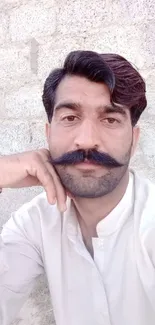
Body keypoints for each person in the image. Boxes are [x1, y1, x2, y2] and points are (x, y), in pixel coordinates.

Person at [0, 50, 155, 325]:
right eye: (70, 118)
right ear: (48, 134)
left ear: (134, 138)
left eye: (110, 119)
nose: (86, 141)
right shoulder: (35, 223)